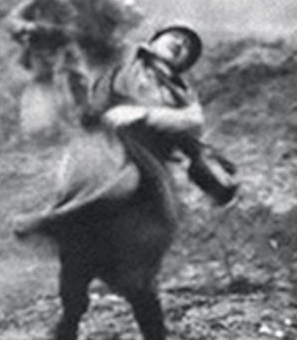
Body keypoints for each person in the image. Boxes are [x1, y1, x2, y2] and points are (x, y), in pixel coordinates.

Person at [94, 23, 239, 207]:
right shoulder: (124, 53)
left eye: (188, 47)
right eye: (175, 35)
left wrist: (143, 114)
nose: (180, 43)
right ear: (153, 41)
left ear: (186, 63)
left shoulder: (182, 93)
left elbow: (194, 122)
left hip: (145, 167)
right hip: (99, 147)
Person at [4, 0, 91, 109]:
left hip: (62, 46)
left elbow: (74, 26)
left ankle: (85, 107)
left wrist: (52, 29)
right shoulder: (29, 6)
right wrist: (26, 26)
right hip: (38, 48)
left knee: (76, 75)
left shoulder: (62, 5)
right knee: (42, 79)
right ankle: (48, 111)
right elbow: (11, 20)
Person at [67, 0, 144, 66]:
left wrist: (117, 35)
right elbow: (65, 3)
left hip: (102, 39)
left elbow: (121, 20)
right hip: (85, 34)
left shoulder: (109, 3)